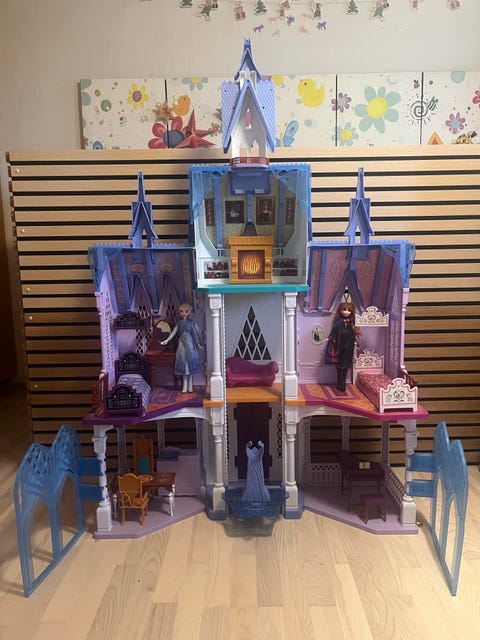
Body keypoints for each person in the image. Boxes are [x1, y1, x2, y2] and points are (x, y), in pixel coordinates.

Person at [160, 303, 203, 393]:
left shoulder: (191, 323)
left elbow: (194, 335)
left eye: (186, 311)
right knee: (183, 364)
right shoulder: (179, 323)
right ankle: (184, 386)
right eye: (181, 311)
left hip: (190, 344)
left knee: (190, 365)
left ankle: (190, 386)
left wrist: (198, 344)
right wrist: (167, 340)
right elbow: (173, 332)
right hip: (182, 344)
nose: (184, 313)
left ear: (189, 312)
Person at [325, 301, 361, 392]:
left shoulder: (351, 323)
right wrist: (329, 338)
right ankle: (339, 383)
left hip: (349, 347)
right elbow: (334, 331)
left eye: (349, 310)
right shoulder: (339, 322)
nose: (346, 312)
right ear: (340, 311)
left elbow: (355, 333)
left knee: (345, 367)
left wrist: (355, 341)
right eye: (344, 310)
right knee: (339, 366)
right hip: (340, 346)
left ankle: (343, 384)